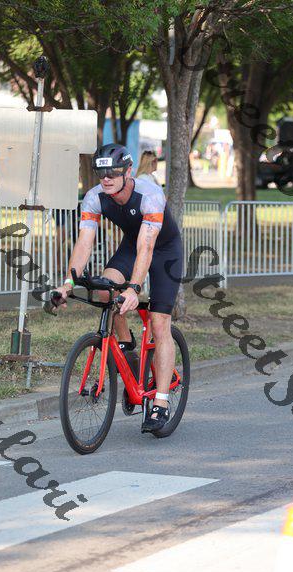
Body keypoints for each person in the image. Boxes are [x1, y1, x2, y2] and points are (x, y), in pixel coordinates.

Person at [55, 143, 183, 433]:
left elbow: (147, 247)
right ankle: (128, 348)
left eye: (113, 172)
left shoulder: (150, 195)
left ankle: (161, 402)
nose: (106, 178)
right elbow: (84, 243)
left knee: (159, 323)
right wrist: (68, 283)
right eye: (101, 173)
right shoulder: (94, 197)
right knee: (105, 290)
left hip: (164, 252)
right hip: (131, 247)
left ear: (128, 171)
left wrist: (133, 289)